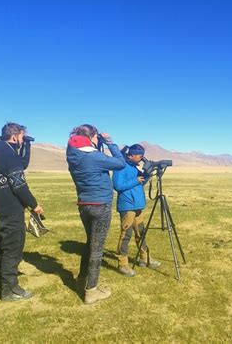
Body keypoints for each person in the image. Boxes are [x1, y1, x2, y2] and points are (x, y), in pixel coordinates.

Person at [66, 124, 125, 304]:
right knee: (97, 249)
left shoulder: (73, 155)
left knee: (90, 244)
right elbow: (120, 163)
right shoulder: (94, 156)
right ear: (92, 137)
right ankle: (91, 291)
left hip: (84, 205)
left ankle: (81, 280)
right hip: (100, 205)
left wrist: (97, 145)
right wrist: (110, 143)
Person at [0, 122, 44, 301]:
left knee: (1, 249)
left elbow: (21, 164)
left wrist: (27, 145)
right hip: (12, 210)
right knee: (13, 250)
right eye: (21, 137)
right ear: (14, 136)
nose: (22, 139)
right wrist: (34, 205)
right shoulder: (8, 154)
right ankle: (9, 290)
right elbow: (19, 185)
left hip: (0, 209)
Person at [112, 144, 161, 277]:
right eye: (139, 156)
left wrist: (147, 174)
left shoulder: (134, 167)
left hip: (137, 206)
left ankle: (145, 258)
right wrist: (135, 180)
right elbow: (117, 185)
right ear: (130, 155)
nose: (141, 159)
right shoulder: (120, 167)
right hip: (127, 206)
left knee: (141, 233)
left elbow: (141, 182)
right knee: (126, 235)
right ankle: (123, 265)